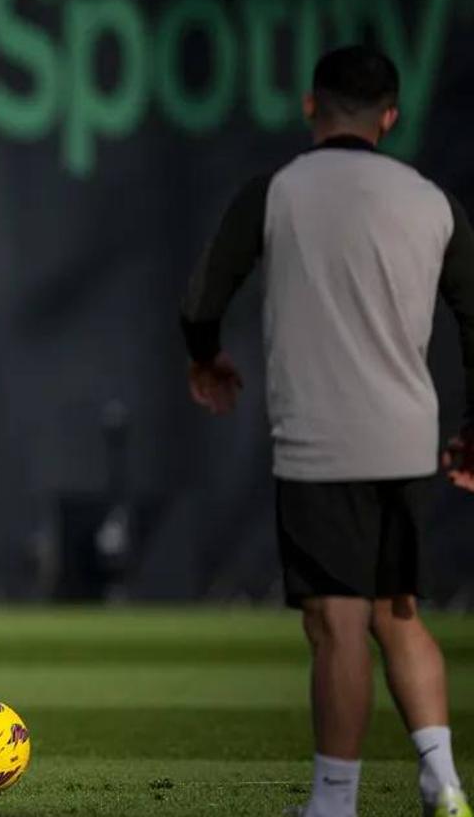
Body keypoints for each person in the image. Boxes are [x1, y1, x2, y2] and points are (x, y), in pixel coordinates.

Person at [180, 44, 472, 817]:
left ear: (311, 107)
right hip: (407, 439)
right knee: (398, 611)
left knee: (337, 622)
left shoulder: (276, 192)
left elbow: (203, 294)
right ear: (391, 117)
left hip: (322, 442)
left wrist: (206, 358)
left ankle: (335, 802)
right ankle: (443, 781)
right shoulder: (432, 200)